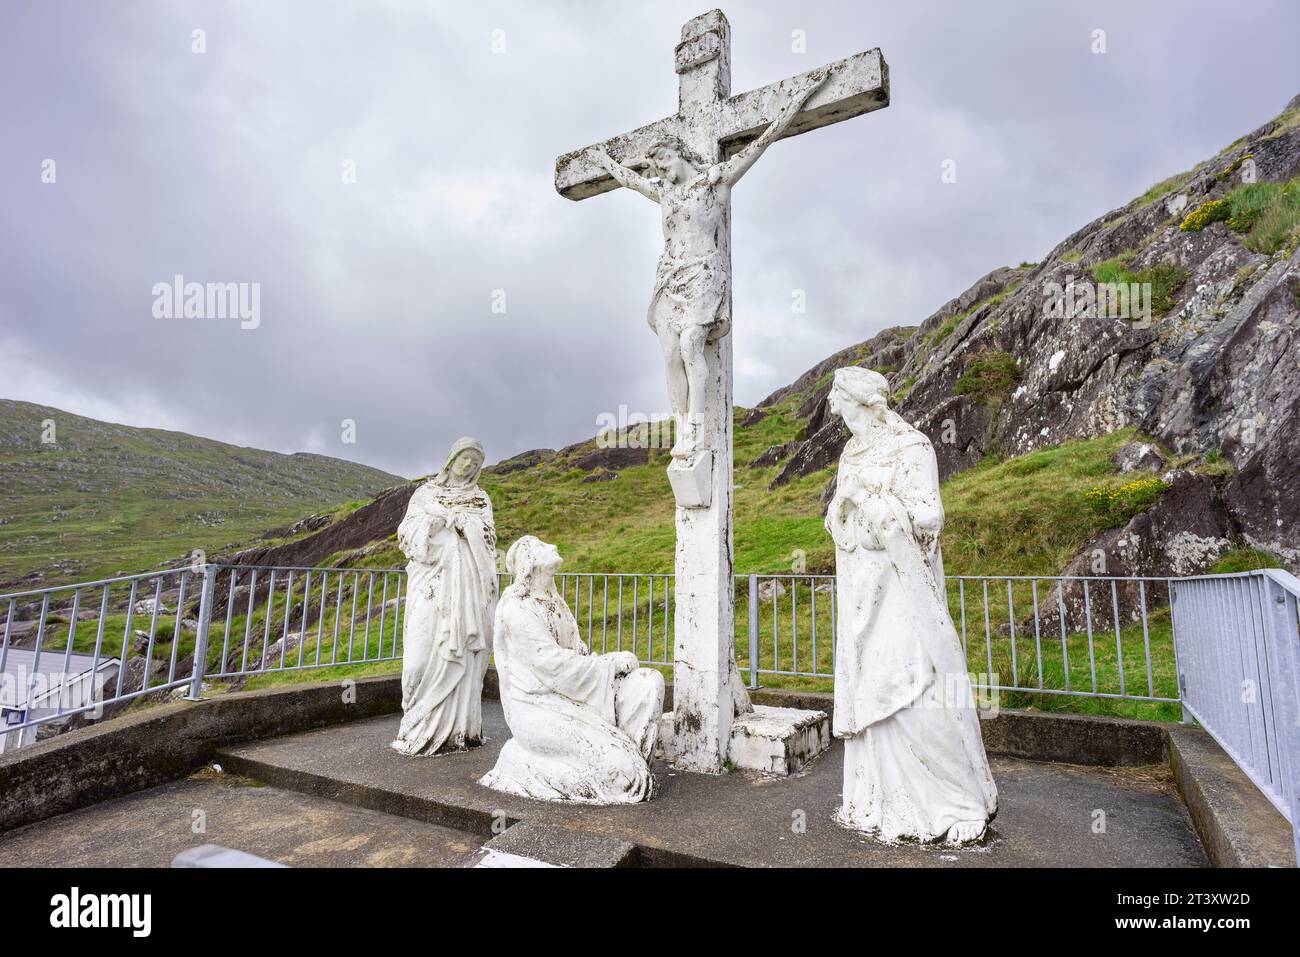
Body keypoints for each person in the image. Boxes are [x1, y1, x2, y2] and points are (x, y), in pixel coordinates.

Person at [586, 70, 828, 458]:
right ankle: (682, 430)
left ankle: (697, 428)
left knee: (690, 343)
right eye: (655, 166)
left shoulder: (716, 180)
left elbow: (763, 141)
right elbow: (630, 181)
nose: (659, 169)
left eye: (663, 160)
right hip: (670, 277)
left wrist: (797, 100)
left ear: (679, 152)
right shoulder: (664, 193)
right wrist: (601, 161)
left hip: (703, 272)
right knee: (670, 354)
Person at [825, 367, 997, 844]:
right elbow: (840, 517)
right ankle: (879, 802)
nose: (832, 407)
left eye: (837, 397)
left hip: (903, 588)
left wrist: (872, 501)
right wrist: (844, 509)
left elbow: (929, 515)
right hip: (862, 588)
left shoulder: (912, 446)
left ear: (859, 401)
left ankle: (951, 798)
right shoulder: (850, 452)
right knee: (870, 685)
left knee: (910, 685)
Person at [479, 535, 665, 804]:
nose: (552, 546)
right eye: (542, 546)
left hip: (571, 695)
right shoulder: (516, 609)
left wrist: (606, 662)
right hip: (537, 706)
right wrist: (608, 665)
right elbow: (554, 665)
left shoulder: (554, 601)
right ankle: (518, 762)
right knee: (628, 780)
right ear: (529, 563)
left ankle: (624, 759)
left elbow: (576, 653)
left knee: (649, 683)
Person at [390, 437, 497, 756]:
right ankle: (415, 724)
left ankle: (460, 731)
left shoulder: (480, 499)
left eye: (476, 464)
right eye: (465, 459)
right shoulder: (426, 494)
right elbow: (406, 534)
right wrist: (432, 523)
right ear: (451, 460)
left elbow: (490, 542)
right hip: (431, 586)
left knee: (463, 656)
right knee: (417, 663)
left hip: (468, 589)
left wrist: (468, 527)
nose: (469, 467)